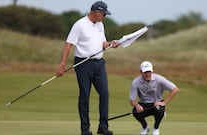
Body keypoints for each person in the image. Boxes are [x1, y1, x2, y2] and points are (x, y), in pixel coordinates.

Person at [55, 1, 119, 135]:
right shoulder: (80, 25)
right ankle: (85, 129)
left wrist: (111, 44)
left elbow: (102, 44)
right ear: (96, 12)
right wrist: (62, 64)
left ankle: (103, 126)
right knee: (85, 95)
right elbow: (68, 44)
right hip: (83, 63)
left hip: (99, 63)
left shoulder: (100, 24)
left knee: (105, 93)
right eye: (103, 14)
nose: (105, 17)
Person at [129, 61, 179, 135]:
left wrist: (164, 102)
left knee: (160, 110)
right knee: (135, 111)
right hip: (144, 105)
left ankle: (156, 128)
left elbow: (175, 89)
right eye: (145, 72)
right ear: (141, 72)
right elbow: (132, 100)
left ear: (152, 71)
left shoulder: (158, 79)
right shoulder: (136, 82)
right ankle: (145, 127)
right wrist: (137, 105)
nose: (147, 74)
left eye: (149, 71)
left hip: (157, 103)